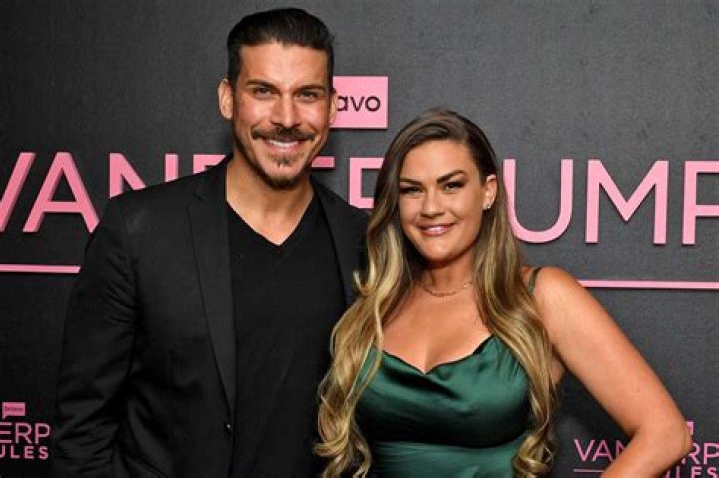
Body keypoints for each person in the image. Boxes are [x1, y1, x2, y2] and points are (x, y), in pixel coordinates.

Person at [50, 8, 367, 477]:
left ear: (332, 107)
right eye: (263, 92)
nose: (286, 118)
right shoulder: (138, 231)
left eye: (307, 95)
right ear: (227, 98)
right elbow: (82, 432)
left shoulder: (361, 240)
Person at [316, 109, 690, 477]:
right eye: (412, 190)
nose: (431, 208)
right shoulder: (376, 303)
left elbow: (666, 435)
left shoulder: (541, 297)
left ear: (488, 192)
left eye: (451, 185)